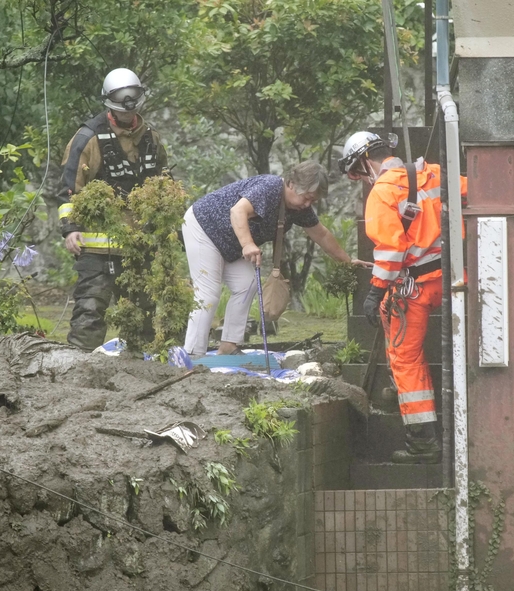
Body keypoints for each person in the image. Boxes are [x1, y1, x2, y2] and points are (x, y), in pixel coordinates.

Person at [339, 131, 466, 464]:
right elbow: (477, 194)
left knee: (405, 356)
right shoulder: (435, 173)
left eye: (357, 174)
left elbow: (392, 251)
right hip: (457, 280)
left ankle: (423, 442)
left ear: (366, 162)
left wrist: (375, 292)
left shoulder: (381, 193)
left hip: (417, 288)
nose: (360, 181)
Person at [182, 160, 370, 357]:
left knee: (248, 283)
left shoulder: (299, 209)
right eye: (306, 197)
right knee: (208, 293)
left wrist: (347, 262)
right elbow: (238, 211)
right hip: (204, 228)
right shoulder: (270, 188)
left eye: (312, 201)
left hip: (231, 242)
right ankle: (193, 354)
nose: (307, 204)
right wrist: (247, 244)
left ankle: (229, 345)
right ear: (291, 184)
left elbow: (321, 234)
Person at [57, 67, 169, 350]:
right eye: (123, 107)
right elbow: (69, 188)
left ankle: (139, 369)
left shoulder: (151, 138)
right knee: (91, 309)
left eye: (133, 106)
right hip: (96, 246)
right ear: (110, 103)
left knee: (141, 313)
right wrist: (71, 229)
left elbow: (164, 185)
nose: (129, 113)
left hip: (137, 244)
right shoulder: (88, 139)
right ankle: (78, 365)